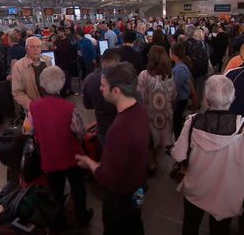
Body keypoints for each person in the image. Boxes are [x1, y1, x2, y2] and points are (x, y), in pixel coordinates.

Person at [171, 75, 244, 235]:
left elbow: (178, 155)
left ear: (206, 100)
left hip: (196, 189)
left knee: (190, 225)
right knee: (220, 230)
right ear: (233, 98)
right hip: (226, 195)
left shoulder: (192, 122)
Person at [76, 62, 150, 235]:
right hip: (137, 184)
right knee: (134, 222)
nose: (100, 89)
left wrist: (89, 162)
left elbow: (106, 176)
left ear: (116, 91)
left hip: (120, 194)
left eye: (103, 86)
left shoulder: (119, 129)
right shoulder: (141, 110)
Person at [24, 66, 93, 227]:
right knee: (78, 188)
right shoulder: (69, 108)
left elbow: (27, 130)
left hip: (49, 156)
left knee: (56, 190)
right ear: (62, 84)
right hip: (72, 157)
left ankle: (58, 221)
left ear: (42, 84)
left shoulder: (33, 107)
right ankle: (82, 217)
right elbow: (81, 133)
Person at [137, 45, 176, 172]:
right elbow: (174, 94)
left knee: (150, 138)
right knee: (161, 137)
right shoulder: (170, 75)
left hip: (150, 112)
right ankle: (156, 157)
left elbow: (139, 95)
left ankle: (152, 161)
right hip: (165, 112)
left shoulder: (144, 75)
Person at [82, 49, 120, 145]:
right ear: (116, 61)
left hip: (103, 126)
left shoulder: (89, 80)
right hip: (122, 125)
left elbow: (87, 105)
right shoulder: (124, 78)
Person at [11, 36, 52, 111]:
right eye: (33, 47)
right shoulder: (18, 66)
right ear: (26, 49)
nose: (36, 49)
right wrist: (31, 106)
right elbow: (17, 91)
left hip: (50, 103)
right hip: (34, 107)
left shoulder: (48, 60)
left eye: (38, 46)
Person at [170, 42, 192, 139]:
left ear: (174, 54)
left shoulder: (179, 69)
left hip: (180, 99)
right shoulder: (180, 67)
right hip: (181, 98)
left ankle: (177, 140)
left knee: (177, 121)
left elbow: (176, 87)